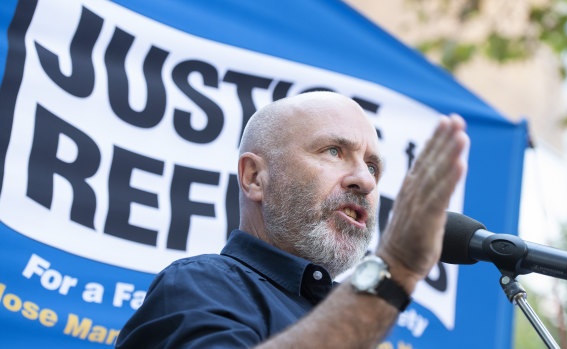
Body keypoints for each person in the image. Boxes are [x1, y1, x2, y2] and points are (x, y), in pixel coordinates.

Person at [115, 91, 469, 348]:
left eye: (373, 166)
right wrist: (398, 269)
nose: (365, 180)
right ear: (255, 177)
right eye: (333, 151)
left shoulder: (350, 314)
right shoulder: (199, 285)